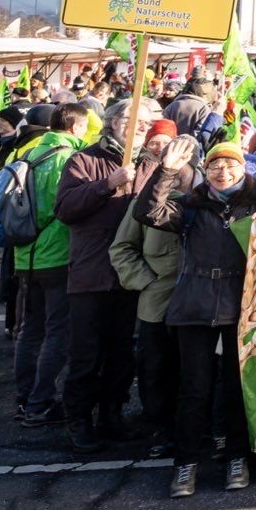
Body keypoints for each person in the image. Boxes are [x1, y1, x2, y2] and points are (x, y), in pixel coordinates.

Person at [135, 137, 256, 498]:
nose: (223, 171)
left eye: (231, 165)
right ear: (205, 171)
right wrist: (166, 171)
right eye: (214, 166)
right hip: (195, 307)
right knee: (194, 389)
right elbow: (146, 212)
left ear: (244, 168)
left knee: (236, 390)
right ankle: (186, 464)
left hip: (242, 309)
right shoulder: (191, 206)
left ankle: (236, 459)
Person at [53, 95, 163, 453]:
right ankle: (79, 420)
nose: (142, 127)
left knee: (120, 354)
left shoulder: (149, 165)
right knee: (86, 354)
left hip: (130, 275)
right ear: (115, 121)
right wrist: (106, 184)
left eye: (147, 122)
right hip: (92, 273)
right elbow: (65, 210)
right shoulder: (84, 160)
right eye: (136, 120)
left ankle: (112, 416)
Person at [108, 118, 186, 459]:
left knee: (195, 371)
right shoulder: (143, 206)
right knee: (155, 370)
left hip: (199, 302)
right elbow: (121, 249)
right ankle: (161, 428)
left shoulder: (202, 200)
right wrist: (146, 281)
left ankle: (194, 427)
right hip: (157, 302)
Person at [13, 103, 90, 427]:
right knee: (58, 331)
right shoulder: (68, 158)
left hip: (24, 253)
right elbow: (67, 208)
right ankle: (40, 402)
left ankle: (24, 397)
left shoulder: (26, 154)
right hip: (56, 253)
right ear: (75, 127)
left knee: (30, 330)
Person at [162, 75, 221, 143]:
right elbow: (201, 130)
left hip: (171, 145)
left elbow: (164, 127)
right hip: (192, 147)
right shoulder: (203, 108)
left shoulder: (171, 106)